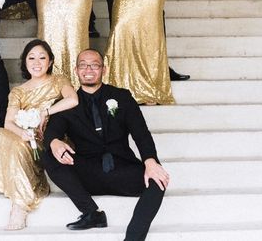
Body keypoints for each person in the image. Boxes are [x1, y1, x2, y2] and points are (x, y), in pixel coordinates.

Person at [43, 49, 169, 240]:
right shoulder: (66, 103)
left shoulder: (122, 97)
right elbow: (52, 132)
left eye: (94, 65)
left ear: (104, 69)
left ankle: (133, 238)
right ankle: (92, 213)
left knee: (158, 180)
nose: (89, 69)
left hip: (122, 168)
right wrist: (54, 142)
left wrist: (150, 161)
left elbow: (141, 134)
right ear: (76, 70)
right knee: (48, 155)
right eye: (83, 65)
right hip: (88, 174)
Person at [0, 39, 78, 230]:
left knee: (16, 145)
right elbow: (8, 122)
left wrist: (45, 112)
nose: (36, 62)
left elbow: (73, 99)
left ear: (50, 62)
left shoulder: (58, 81)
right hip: (26, 138)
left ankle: (19, 206)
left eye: (42, 57)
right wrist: (23, 133)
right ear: (25, 62)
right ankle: (20, 204)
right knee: (0, 134)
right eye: (31, 58)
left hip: (50, 139)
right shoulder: (18, 92)